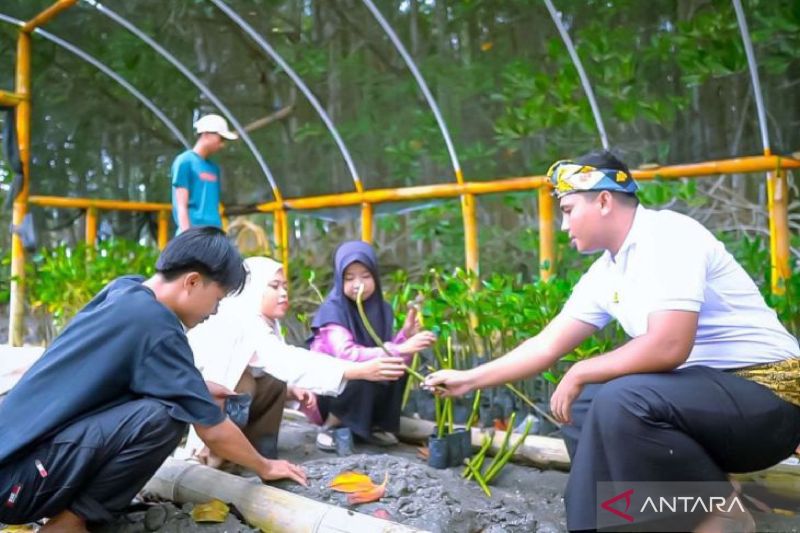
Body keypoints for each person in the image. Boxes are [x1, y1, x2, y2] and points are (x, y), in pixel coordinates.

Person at [425, 151, 800, 532]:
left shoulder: (667, 235)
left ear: (604, 200)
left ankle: (710, 513)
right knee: (580, 408)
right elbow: (546, 344)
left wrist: (582, 369)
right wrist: (467, 379)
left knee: (617, 398)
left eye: (569, 209)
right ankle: (661, 511)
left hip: (768, 402)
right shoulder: (606, 272)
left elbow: (670, 345)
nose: (563, 223)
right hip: (707, 406)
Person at [0, 227, 306, 533]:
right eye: (217, 298)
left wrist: (195, 386)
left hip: (13, 466)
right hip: (17, 484)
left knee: (169, 403)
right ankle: (69, 523)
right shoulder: (156, 326)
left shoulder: (125, 291)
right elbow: (212, 431)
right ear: (193, 281)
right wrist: (265, 465)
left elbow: (118, 374)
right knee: (167, 417)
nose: (214, 311)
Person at [181, 256, 408, 464]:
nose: (283, 293)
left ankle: (257, 453)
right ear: (253, 289)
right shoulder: (241, 319)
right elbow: (282, 358)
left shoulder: (265, 322)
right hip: (197, 404)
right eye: (274, 286)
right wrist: (358, 371)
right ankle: (214, 458)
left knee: (274, 382)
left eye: (285, 287)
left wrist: (291, 389)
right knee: (243, 386)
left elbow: (272, 363)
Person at [309, 241, 437, 449]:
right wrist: (401, 348)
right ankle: (331, 425)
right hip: (330, 391)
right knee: (365, 371)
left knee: (395, 369)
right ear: (339, 279)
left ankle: (376, 425)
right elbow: (346, 355)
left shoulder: (382, 309)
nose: (358, 284)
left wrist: (406, 336)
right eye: (349, 278)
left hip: (365, 381)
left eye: (366, 276)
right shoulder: (332, 311)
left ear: (375, 276)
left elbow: (389, 353)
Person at [171, 113, 237, 233]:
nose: (222, 144)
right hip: (193, 233)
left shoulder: (214, 168)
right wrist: (187, 236)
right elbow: (181, 205)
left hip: (214, 233)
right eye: (220, 138)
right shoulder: (185, 161)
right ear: (206, 134)